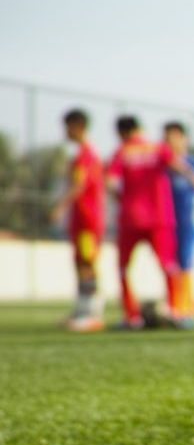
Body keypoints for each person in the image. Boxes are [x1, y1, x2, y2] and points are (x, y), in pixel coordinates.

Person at [107, 115, 194, 330]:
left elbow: (111, 183)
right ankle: (175, 311)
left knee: (123, 268)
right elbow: (178, 165)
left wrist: (123, 199)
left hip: (130, 218)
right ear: (139, 128)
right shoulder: (157, 148)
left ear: (121, 133)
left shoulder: (122, 152)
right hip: (160, 217)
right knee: (168, 266)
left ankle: (132, 317)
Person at [50, 108, 105, 332]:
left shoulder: (85, 155)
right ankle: (82, 310)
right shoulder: (84, 154)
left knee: (87, 264)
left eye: (68, 127)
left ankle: (92, 313)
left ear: (78, 127)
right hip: (81, 221)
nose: (65, 132)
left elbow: (79, 185)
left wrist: (59, 207)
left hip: (87, 220)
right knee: (80, 263)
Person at [164, 122, 194, 328]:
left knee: (185, 264)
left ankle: (187, 309)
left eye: (174, 137)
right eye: (167, 137)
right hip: (164, 222)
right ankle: (173, 306)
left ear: (184, 139)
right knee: (169, 266)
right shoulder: (163, 163)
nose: (169, 141)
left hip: (185, 222)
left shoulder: (192, 163)